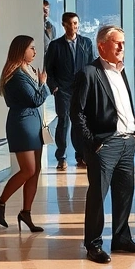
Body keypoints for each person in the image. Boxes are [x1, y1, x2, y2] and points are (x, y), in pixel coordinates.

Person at [71, 25, 135, 264]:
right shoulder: (89, 73)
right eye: (117, 43)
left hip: (127, 143)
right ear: (101, 45)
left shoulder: (121, 71)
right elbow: (77, 112)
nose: (122, 47)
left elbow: (124, 104)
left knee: (125, 193)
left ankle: (121, 238)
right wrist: (92, 143)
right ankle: (93, 244)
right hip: (104, 145)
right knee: (97, 196)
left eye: (123, 43)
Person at [0, 35, 50, 233]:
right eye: (31, 48)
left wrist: (42, 83)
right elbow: (35, 99)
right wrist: (43, 83)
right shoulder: (16, 75)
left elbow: (39, 98)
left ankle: (26, 212)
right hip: (22, 123)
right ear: (21, 50)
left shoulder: (30, 70)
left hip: (35, 122)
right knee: (28, 170)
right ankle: (0, 202)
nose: (34, 52)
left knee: (36, 170)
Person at [45, 11, 96, 170]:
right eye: (70, 24)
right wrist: (54, 87)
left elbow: (91, 66)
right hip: (63, 90)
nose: (73, 27)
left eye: (75, 23)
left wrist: (91, 87)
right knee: (64, 122)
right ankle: (61, 156)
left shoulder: (86, 43)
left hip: (81, 89)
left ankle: (81, 155)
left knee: (80, 123)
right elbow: (49, 68)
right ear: (63, 25)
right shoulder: (55, 45)